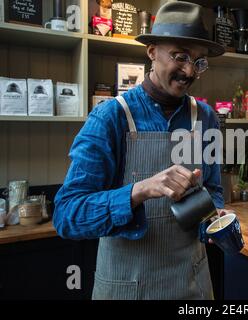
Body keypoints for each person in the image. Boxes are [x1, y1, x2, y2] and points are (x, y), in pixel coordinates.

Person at [53, 1, 227, 300]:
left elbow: (213, 188)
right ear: (151, 52)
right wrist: (140, 190)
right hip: (126, 287)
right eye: (180, 56)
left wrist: (212, 219)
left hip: (192, 285)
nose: (189, 71)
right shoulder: (111, 117)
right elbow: (67, 215)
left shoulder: (207, 117)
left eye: (198, 62)